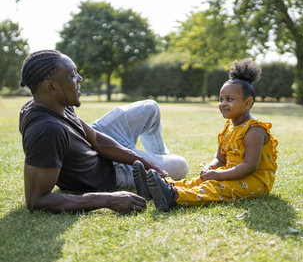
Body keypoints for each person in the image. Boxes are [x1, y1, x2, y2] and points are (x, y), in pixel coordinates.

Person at [19, 50, 189, 214]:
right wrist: (108, 199)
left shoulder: (56, 103)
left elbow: (97, 139)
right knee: (181, 165)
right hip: (108, 172)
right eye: (72, 75)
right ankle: (157, 178)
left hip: (94, 150)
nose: (80, 79)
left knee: (150, 107)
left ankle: (155, 174)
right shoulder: (46, 131)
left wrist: (148, 164)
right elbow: (37, 200)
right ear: (51, 87)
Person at [133, 59, 278, 211]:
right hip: (232, 174)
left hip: (254, 181)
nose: (223, 103)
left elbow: (250, 166)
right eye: (221, 99)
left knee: (214, 187)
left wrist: (219, 176)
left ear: (247, 103)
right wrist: (211, 167)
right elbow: (220, 158)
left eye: (229, 99)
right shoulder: (228, 128)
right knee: (199, 181)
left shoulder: (254, 130)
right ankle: (155, 188)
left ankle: (174, 196)